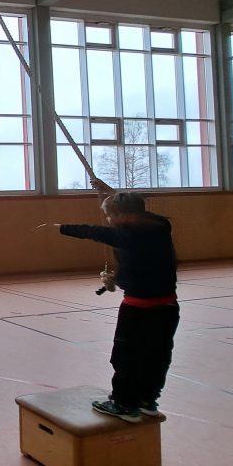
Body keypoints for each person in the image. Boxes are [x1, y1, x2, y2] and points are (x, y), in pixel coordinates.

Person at [53, 179, 179, 423]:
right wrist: (108, 191)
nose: (108, 220)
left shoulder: (127, 235)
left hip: (138, 310)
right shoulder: (160, 225)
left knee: (125, 357)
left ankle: (124, 404)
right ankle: (147, 400)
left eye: (110, 215)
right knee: (156, 356)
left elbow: (93, 232)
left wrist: (60, 228)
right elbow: (133, 214)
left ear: (124, 216)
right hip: (167, 308)